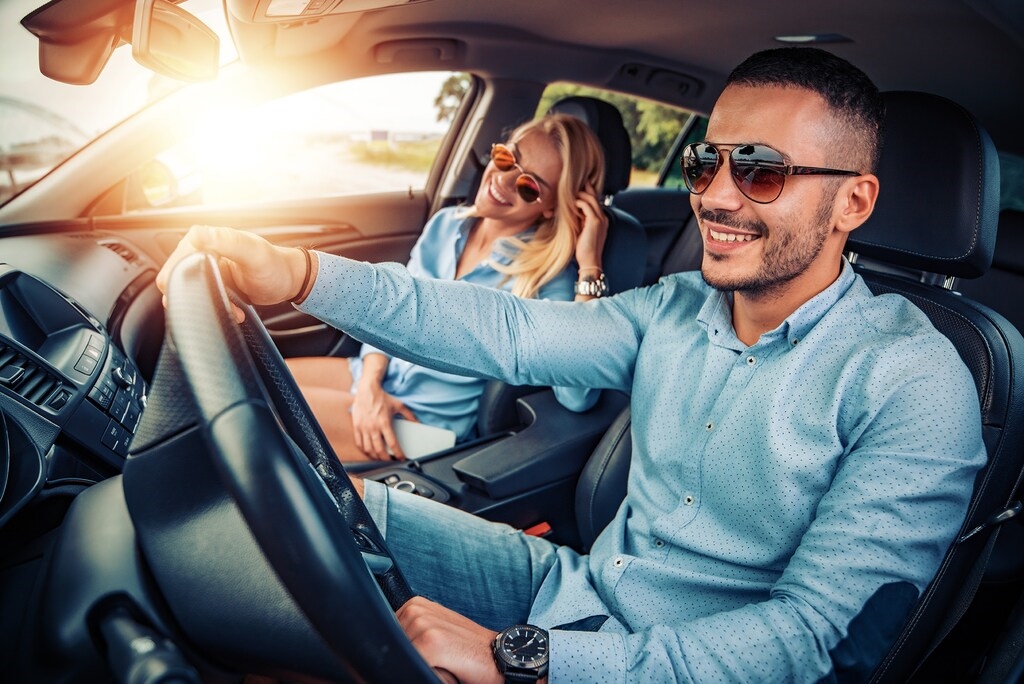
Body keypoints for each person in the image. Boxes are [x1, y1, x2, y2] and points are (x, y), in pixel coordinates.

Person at [156, 47, 986, 683]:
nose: (718, 197)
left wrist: (523, 658)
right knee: (315, 501)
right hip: (573, 586)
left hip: (671, 664)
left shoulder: (914, 380)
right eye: (709, 162)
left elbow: (809, 642)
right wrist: (298, 274)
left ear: (855, 202)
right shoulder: (676, 308)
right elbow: (505, 331)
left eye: (762, 171)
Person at [287, 113, 610, 461]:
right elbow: (388, 308)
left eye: (529, 186)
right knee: (254, 374)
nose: (502, 179)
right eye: (506, 158)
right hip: (378, 378)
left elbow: (577, 396)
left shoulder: (547, 278)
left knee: (261, 411)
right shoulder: (445, 225)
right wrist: (369, 384)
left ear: (552, 207)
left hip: (422, 423)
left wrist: (590, 265)